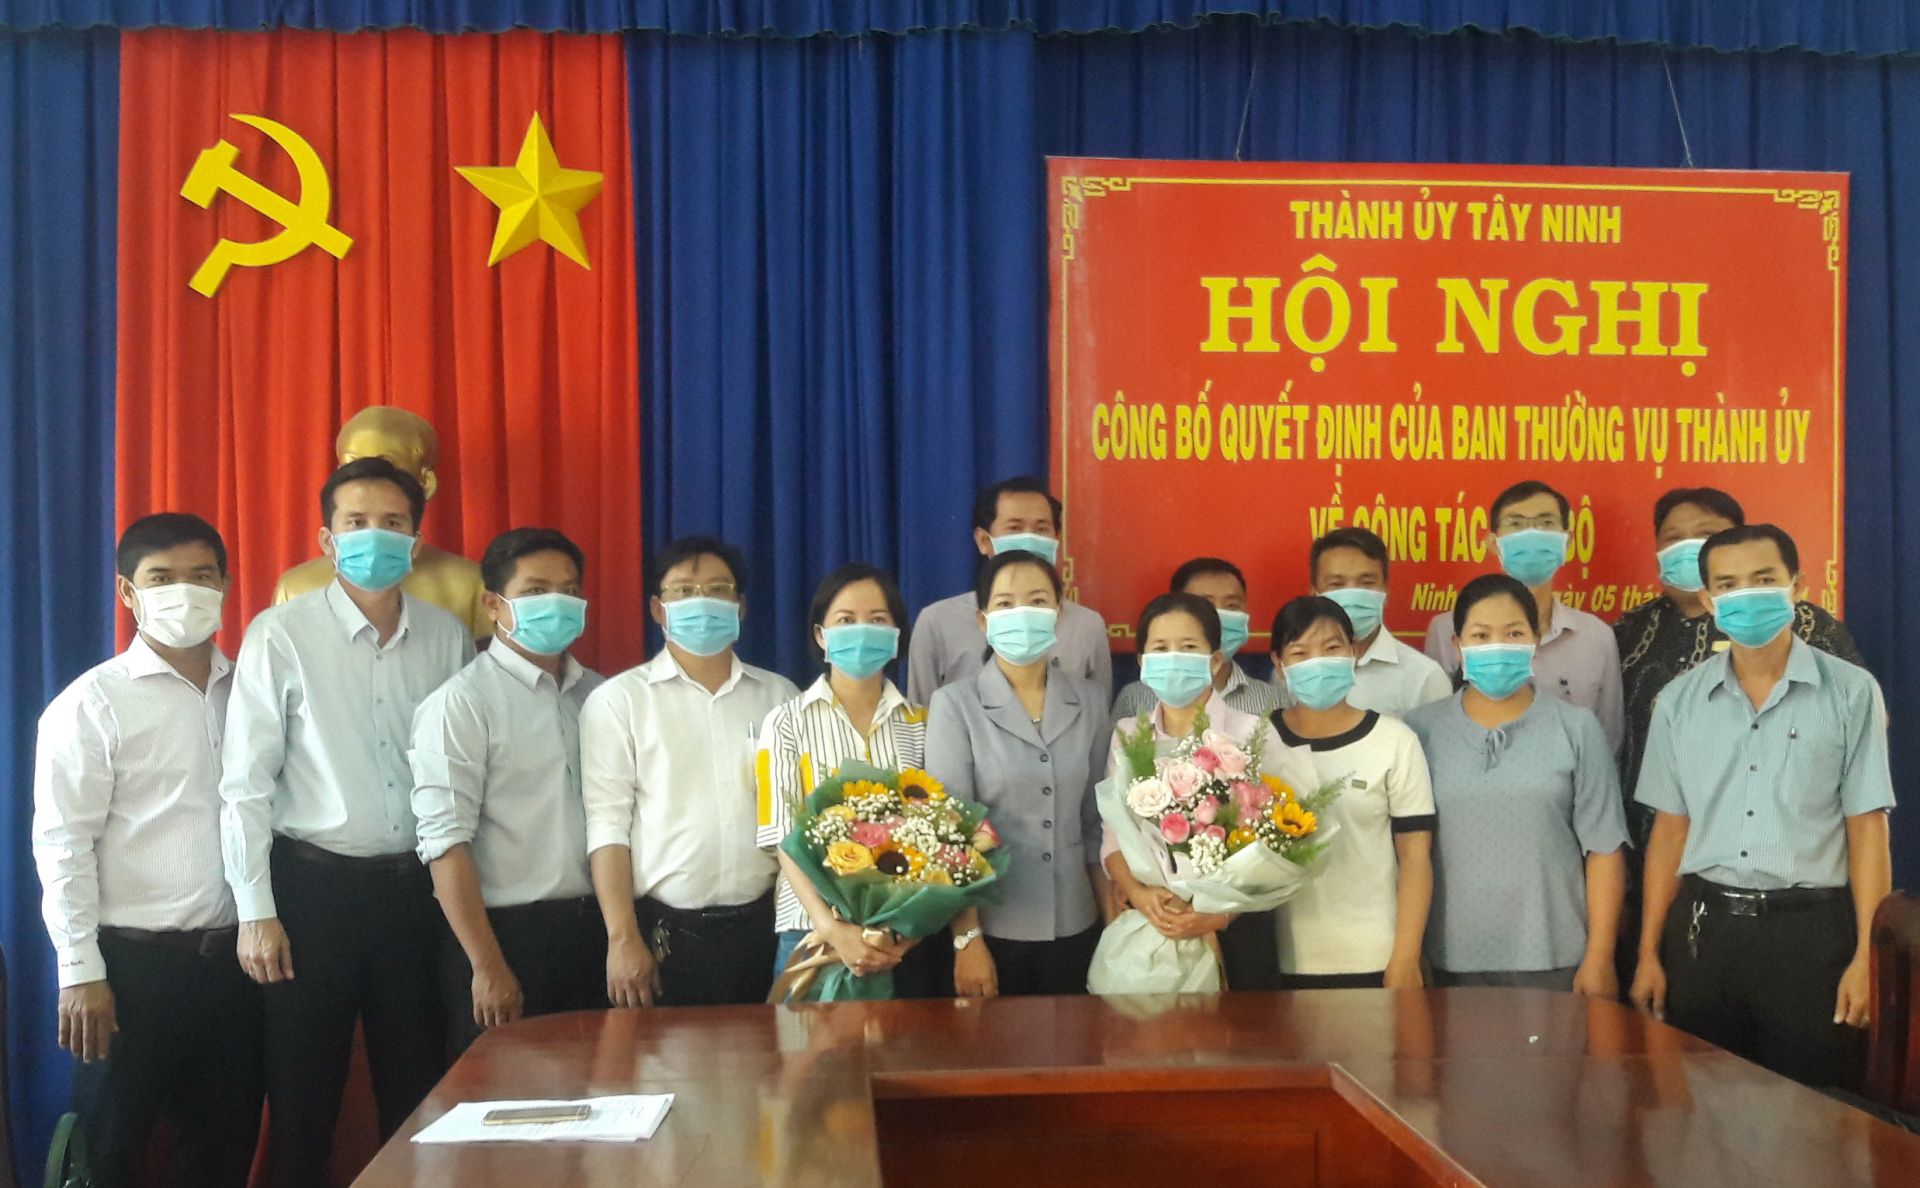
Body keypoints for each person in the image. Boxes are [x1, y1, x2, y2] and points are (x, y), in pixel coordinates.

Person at [220, 459, 474, 1186]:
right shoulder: (281, 634)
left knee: (420, 1097)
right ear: (327, 541)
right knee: (303, 1105)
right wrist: (256, 912)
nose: (375, 537)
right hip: (312, 896)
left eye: (393, 523)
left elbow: (461, 773)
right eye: (356, 523)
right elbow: (244, 784)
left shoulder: (446, 637)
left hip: (416, 896)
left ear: (416, 541)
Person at [32, 514, 262, 1188]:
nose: (183, 592)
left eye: (201, 576)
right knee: (109, 1155)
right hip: (129, 973)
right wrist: (80, 971)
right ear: (128, 593)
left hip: (234, 969)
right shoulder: (91, 704)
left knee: (221, 1156)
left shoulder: (253, 692)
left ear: (225, 586)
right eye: (161, 579)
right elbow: (63, 844)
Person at [1629, 524, 1894, 1089]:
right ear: (1708, 600)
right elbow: (1669, 833)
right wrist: (1649, 951)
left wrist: (1866, 959)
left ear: (1797, 587)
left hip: (1811, 935)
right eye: (1728, 584)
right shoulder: (1677, 701)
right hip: (1704, 934)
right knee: (1702, 1104)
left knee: (1810, 1111)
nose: (1746, 594)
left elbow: (1867, 829)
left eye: (1763, 578)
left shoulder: (1851, 691)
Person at [1612, 487, 1865, 993]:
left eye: (1705, 534)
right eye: (1673, 538)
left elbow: (1864, 804)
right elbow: (1663, 819)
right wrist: (1648, 948)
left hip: (1806, 902)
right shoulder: (1635, 636)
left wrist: (1865, 955)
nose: (1687, 547)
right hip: (1675, 876)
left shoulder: (1825, 650)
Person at [410, 528, 606, 1057]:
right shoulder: (461, 703)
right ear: (493, 605)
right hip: (505, 935)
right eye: (536, 590)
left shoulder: (600, 695)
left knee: (603, 1088)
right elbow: (445, 844)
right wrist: (487, 965)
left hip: (595, 930)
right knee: (507, 1095)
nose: (556, 603)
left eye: (569, 590)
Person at [582, 536, 798, 1007]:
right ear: (658, 609)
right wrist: (622, 938)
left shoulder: (781, 697)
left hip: (766, 928)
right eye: (682, 591)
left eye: (718, 589)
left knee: (769, 1053)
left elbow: (798, 817)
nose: (701, 602)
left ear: (740, 606)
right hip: (666, 935)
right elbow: (607, 825)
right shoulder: (619, 701)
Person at [1407, 574, 1627, 993]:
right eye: (1480, 635)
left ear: (1535, 641)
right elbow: (1407, 855)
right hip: (1449, 957)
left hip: (1555, 954)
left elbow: (1604, 849)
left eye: (1513, 634)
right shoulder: (1419, 731)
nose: (1498, 646)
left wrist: (1600, 957)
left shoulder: (1576, 728)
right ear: (1456, 646)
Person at [1100, 592, 1320, 992]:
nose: (1173, 658)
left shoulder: (1253, 732)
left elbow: (1283, 842)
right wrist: (1138, 893)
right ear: (1142, 662)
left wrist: (1218, 917)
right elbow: (1112, 836)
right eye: (1160, 648)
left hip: (1240, 928)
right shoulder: (1128, 735)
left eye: (1188, 647)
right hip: (1156, 921)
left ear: (1215, 660)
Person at [924, 551, 1111, 997]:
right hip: (994, 926)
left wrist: (1112, 926)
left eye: (1037, 601)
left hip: (1077, 920)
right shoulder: (955, 704)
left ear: (1058, 614)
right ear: (983, 620)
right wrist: (967, 939)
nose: (1022, 613)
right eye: (1006, 603)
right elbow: (951, 833)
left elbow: (1095, 823)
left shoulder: (1089, 700)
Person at [758, 564, 932, 991]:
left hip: (901, 937)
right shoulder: (785, 722)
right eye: (846, 620)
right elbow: (780, 835)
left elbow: (939, 834)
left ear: (897, 633)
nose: (862, 630)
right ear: (821, 635)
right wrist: (831, 928)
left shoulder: (922, 723)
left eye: (877, 619)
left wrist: (906, 934)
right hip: (810, 933)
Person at [1267, 596, 1435, 990]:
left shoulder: (1395, 740)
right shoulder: (1256, 740)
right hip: (1276, 956)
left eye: (1331, 648)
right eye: (1300, 653)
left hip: (1374, 955)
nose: (1318, 663)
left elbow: (1415, 857)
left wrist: (1405, 957)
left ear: (1354, 652)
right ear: (1279, 663)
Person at [1423, 480, 1624, 755]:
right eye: (1516, 523)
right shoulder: (1447, 628)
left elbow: (1608, 740)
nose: (1532, 534)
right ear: (1493, 543)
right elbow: (1437, 727)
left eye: (1546, 522)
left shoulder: (1596, 636)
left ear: (1567, 541)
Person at [272, 407, 490, 637]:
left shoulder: (471, 586)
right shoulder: (296, 589)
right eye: (355, 466)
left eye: (387, 467)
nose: (369, 480)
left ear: (425, 483)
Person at [905, 476, 1113, 706]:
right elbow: (922, 715)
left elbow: (1098, 714)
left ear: (1056, 539)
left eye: (1041, 529)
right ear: (984, 540)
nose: (1030, 539)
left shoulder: (1087, 625)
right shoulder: (937, 622)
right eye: (1015, 528)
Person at [1304, 527, 1452, 716]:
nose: (1353, 595)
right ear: (1314, 593)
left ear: (1385, 591)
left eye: (1366, 583)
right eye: (1336, 584)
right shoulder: (1295, 671)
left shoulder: (1424, 677)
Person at [1112, 557, 1280, 719]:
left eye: (1232, 605)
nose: (1217, 616)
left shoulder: (1272, 701)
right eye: (1205, 605)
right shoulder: (1134, 700)